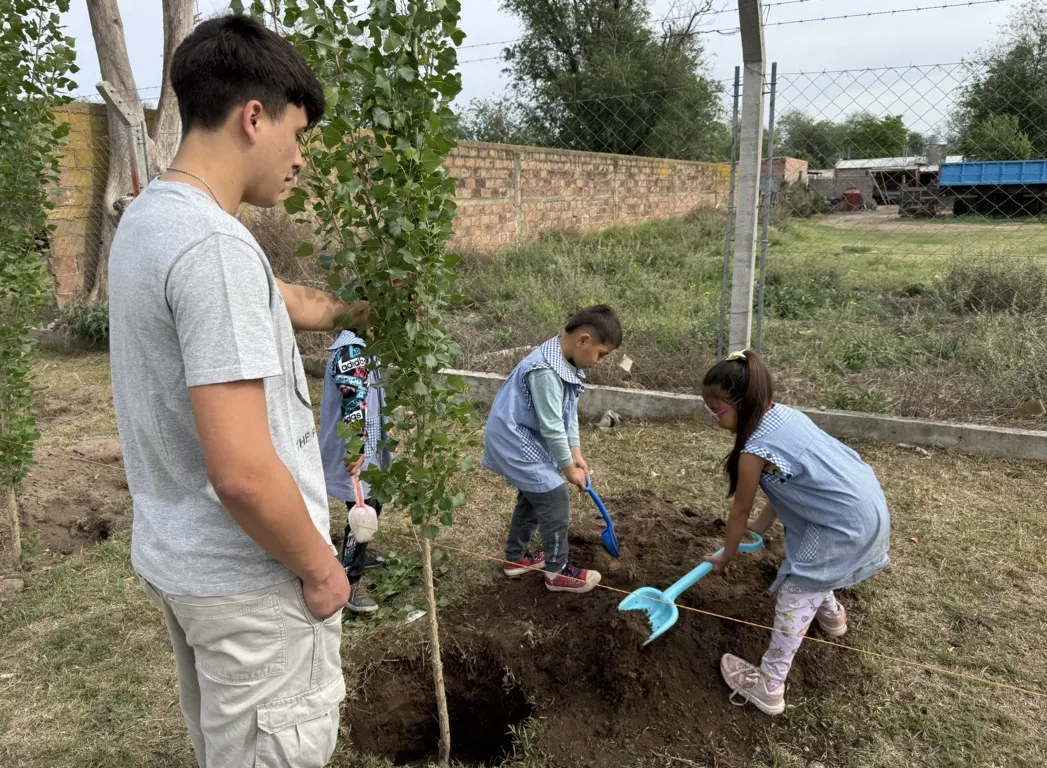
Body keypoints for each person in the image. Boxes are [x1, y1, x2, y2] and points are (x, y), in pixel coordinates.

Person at [108, 15, 365, 767]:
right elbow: (244, 473)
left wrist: (355, 313)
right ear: (254, 117)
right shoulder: (214, 248)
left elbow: (276, 295)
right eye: (300, 134)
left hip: (183, 564)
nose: (301, 160)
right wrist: (322, 570)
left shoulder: (154, 218)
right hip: (252, 585)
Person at [701, 349, 890, 716]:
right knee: (813, 560)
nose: (713, 419)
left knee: (798, 585)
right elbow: (791, 483)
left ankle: (770, 685)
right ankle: (832, 616)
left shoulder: (754, 451)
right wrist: (762, 527)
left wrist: (726, 554)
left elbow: (739, 509)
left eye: (716, 410)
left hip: (842, 526)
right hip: (862, 505)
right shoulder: (783, 415)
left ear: (741, 402)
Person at [483, 305, 623, 594]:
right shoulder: (546, 371)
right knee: (554, 496)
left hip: (525, 436)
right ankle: (557, 572)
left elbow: (567, 414)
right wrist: (567, 468)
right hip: (514, 440)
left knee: (535, 495)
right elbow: (551, 425)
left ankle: (516, 559)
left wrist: (576, 453)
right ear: (583, 340)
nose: (599, 362)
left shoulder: (564, 361)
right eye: (601, 354)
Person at [319, 319, 392, 614]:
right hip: (355, 445)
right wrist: (355, 448)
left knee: (374, 500)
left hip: (368, 442)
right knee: (361, 509)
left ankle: (359, 553)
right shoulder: (351, 350)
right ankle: (349, 580)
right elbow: (353, 400)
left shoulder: (367, 347)